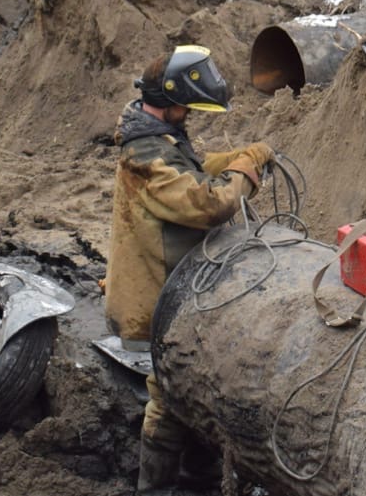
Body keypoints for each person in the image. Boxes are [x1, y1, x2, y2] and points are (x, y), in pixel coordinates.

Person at [105, 46, 272, 495]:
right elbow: (209, 202)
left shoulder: (158, 135)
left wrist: (234, 158)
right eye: (187, 107)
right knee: (169, 391)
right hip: (161, 297)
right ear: (169, 99)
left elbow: (192, 167)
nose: (189, 115)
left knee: (195, 382)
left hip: (180, 288)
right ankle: (156, 487)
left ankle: (198, 479)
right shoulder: (144, 155)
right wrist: (246, 172)